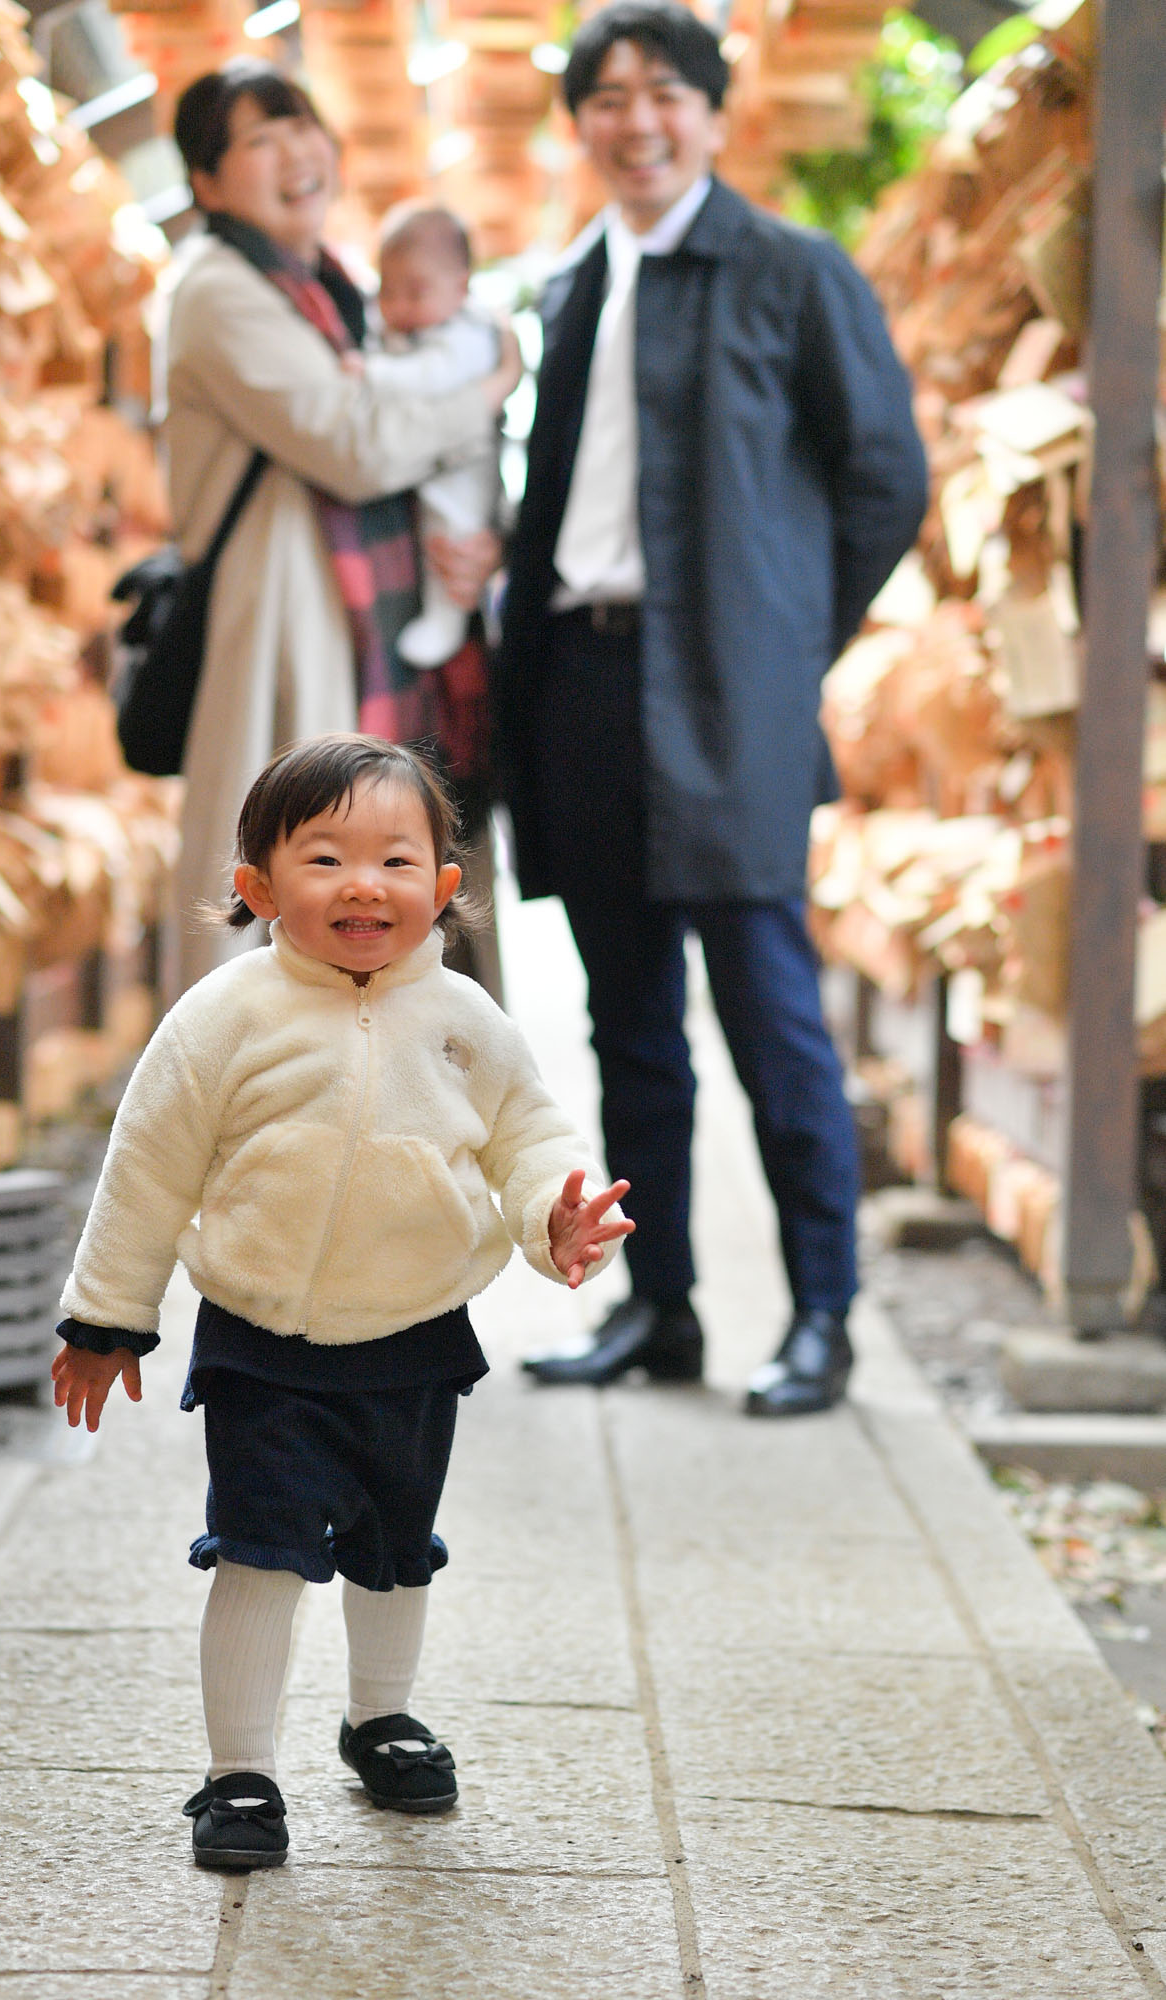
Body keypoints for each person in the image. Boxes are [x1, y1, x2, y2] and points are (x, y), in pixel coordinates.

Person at [50, 735, 632, 1868]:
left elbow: (530, 1140)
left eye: (395, 860)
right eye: (324, 857)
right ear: (260, 885)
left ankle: (380, 1716)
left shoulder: (468, 1019)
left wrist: (556, 1218)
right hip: (263, 1339)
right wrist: (106, 1315)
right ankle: (240, 1773)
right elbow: (148, 1165)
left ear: (445, 889)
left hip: (416, 1333)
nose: (363, 884)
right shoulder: (225, 1017)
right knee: (260, 1547)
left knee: (393, 1543)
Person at [498, 2, 928, 1414]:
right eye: (608, 97)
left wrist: (779, 636)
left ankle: (820, 1317)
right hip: (582, 682)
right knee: (627, 1025)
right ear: (582, 126)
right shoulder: (571, 286)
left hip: (728, 696)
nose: (636, 120)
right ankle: (661, 1305)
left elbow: (883, 480)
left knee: (768, 1011)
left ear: (714, 115)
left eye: (664, 93)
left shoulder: (791, 272)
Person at [163, 60, 517, 995]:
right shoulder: (219, 289)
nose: (295, 155)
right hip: (286, 629)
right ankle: (249, 1115)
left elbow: (403, 456)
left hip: (364, 636)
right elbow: (354, 442)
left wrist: (481, 544)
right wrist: (488, 391)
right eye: (260, 140)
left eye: (302, 128)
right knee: (283, 884)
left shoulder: (327, 290)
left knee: (366, 875)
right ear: (205, 182)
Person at [356, 205, 502, 670]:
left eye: (415, 292)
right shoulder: (412, 327)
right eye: (387, 291)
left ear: (460, 287)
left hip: (464, 469)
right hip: (429, 460)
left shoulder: (469, 335)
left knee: (451, 535)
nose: (398, 307)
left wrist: (371, 373)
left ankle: (447, 617)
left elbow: (427, 378)